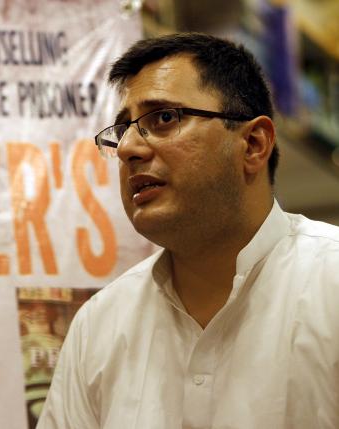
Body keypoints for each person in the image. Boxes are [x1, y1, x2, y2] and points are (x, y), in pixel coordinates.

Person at [37, 32, 339, 428]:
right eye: (123, 128)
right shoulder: (100, 325)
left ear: (252, 144)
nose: (128, 148)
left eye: (163, 118)